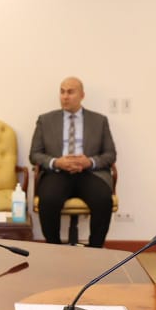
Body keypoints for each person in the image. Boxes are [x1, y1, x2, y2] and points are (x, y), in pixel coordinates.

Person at [28, 76, 117, 247]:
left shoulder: (99, 121)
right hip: (57, 173)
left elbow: (110, 154)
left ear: (82, 95)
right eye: (62, 92)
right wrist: (56, 162)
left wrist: (89, 162)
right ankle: (54, 248)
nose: (65, 97)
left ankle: (95, 249)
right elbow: (34, 154)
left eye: (70, 92)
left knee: (103, 200)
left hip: (90, 174)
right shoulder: (45, 120)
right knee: (48, 200)